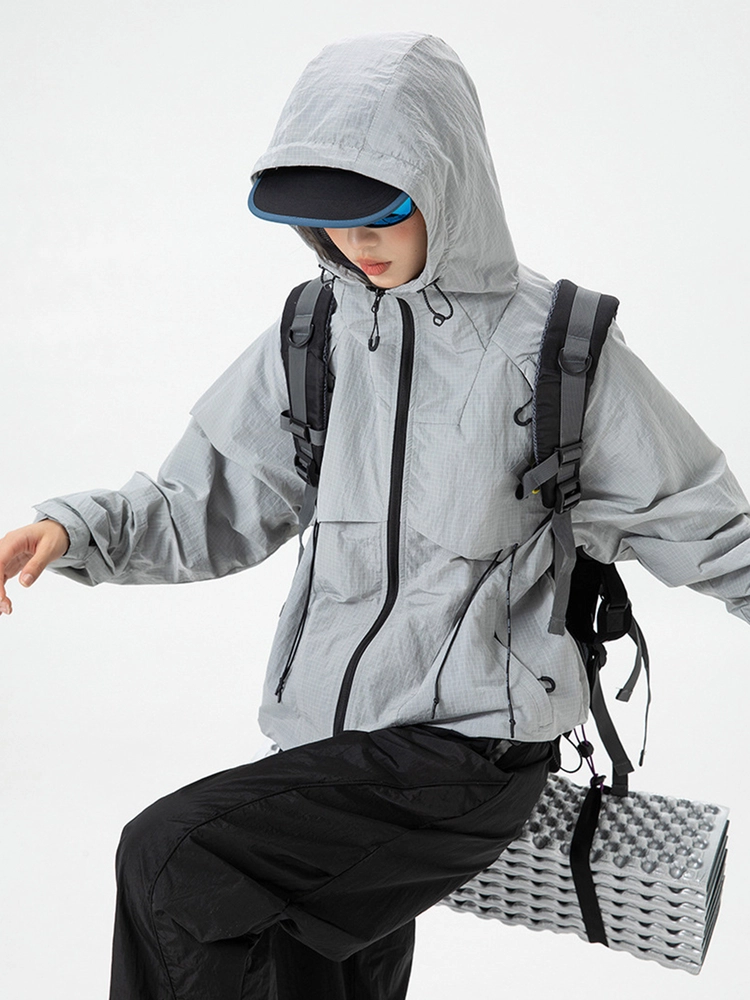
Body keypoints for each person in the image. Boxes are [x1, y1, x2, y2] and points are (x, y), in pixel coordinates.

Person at [1, 30, 749, 1000]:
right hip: (327, 747)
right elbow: (206, 501)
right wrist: (75, 529)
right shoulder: (314, 333)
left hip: (466, 754)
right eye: (330, 224)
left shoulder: (557, 352)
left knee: (175, 861)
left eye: (381, 213)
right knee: (307, 964)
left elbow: (704, 520)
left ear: (449, 182)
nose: (357, 246)